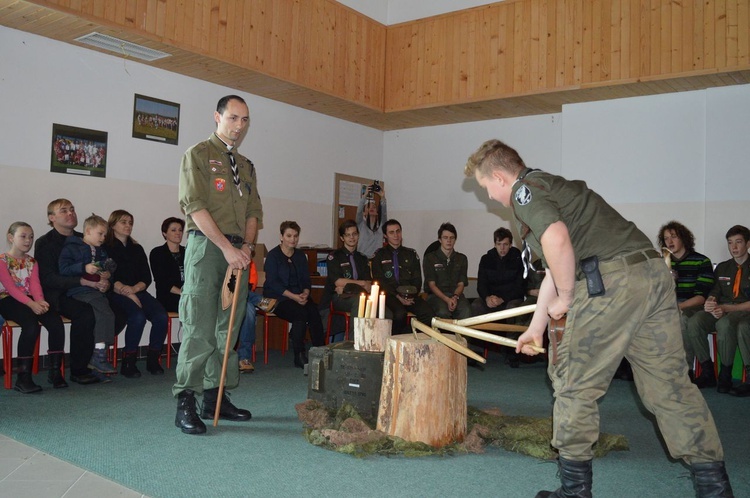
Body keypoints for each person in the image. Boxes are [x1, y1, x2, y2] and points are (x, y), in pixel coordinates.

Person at [466, 139, 731, 497]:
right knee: (669, 386)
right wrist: (536, 327)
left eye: (486, 189)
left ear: (499, 177)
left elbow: (558, 243)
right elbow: (556, 263)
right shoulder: (552, 185)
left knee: (573, 383)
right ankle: (714, 487)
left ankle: (575, 491)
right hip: (651, 276)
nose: (490, 198)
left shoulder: (524, 193)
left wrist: (569, 296)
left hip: (611, 282)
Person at [173, 95, 263, 435]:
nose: (239, 126)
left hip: (238, 254)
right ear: (217, 117)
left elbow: (254, 212)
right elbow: (194, 207)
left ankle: (215, 397)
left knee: (228, 330)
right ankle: (185, 400)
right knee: (199, 327)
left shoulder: (247, 165)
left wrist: (247, 248)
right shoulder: (197, 155)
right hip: (208, 248)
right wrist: (226, 247)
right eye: (233, 118)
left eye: (245, 120)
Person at [35, 199, 117, 385]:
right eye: (63, 210)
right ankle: (79, 370)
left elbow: (103, 265)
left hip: (90, 290)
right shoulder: (45, 243)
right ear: (52, 218)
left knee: (116, 313)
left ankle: (95, 358)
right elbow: (48, 278)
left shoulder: (87, 238)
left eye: (72, 209)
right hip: (60, 294)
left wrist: (107, 281)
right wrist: (80, 280)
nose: (70, 213)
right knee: (86, 314)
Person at [0, 222, 67, 392]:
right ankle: (23, 378)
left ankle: (54, 372)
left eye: (30, 237)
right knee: (30, 325)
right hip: (7, 299)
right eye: (23, 236)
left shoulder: (32, 262)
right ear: (10, 238)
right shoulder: (2, 260)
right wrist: (32, 304)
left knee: (55, 322)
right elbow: (11, 288)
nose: (28, 240)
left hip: (30, 299)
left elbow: (35, 284)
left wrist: (41, 302)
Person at [686, 225, 750, 396]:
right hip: (722, 309)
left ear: (748, 244)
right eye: (730, 243)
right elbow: (715, 292)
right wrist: (711, 302)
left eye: (738, 242)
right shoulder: (722, 268)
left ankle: (725, 374)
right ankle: (707, 371)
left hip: (744, 310)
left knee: (725, 323)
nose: (734, 247)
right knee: (695, 321)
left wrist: (727, 308)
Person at [106, 210, 169, 377]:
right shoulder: (106, 247)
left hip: (137, 291)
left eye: (130, 223)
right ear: (112, 225)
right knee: (137, 317)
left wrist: (134, 290)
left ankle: (153, 359)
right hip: (116, 293)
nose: (128, 226)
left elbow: (146, 277)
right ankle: (129, 361)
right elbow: (109, 277)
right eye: (123, 222)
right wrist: (127, 292)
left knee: (161, 316)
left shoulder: (137, 248)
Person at [58, 213, 118, 379]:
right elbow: (63, 269)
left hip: (96, 292)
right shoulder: (71, 247)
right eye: (100, 234)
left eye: (105, 235)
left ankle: (96, 359)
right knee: (106, 314)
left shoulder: (102, 252)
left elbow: (107, 272)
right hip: (79, 291)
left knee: (104, 315)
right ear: (88, 231)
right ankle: (99, 355)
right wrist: (83, 267)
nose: (103, 238)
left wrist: (107, 278)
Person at [657, 221, 715, 380]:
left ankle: (686, 370)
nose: (669, 241)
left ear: (683, 238)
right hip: (669, 306)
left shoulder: (701, 261)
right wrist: (668, 280)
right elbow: (656, 293)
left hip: (694, 306)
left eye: (674, 237)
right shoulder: (663, 263)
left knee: (681, 319)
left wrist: (678, 306)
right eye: (666, 238)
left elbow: (701, 297)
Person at [263, 221, 325, 368]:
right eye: (289, 235)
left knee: (313, 311)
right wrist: (294, 297)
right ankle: (299, 355)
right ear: (281, 237)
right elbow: (273, 283)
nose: (293, 239)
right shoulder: (273, 256)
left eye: (296, 236)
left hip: (298, 297)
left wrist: (305, 293)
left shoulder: (301, 256)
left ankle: (321, 352)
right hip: (277, 298)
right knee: (300, 314)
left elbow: (305, 280)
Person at [473, 227, 527, 367]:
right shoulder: (486, 259)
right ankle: (476, 349)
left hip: (510, 299)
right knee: (476, 306)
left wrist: (502, 298)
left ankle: (511, 351)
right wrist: (486, 298)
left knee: (513, 308)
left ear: (510, 244)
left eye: (505, 244)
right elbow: (481, 284)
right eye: (499, 244)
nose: (502, 248)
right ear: (494, 244)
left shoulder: (518, 258)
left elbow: (520, 286)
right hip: (491, 299)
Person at [371, 219, 434, 334]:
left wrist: (410, 295)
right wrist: (397, 296)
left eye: (398, 231)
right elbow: (379, 281)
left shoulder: (411, 254)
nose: (396, 235)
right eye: (391, 232)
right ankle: (394, 341)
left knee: (429, 315)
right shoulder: (379, 255)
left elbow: (417, 279)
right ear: (385, 235)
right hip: (390, 295)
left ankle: (407, 336)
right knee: (400, 315)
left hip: (410, 295)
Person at [324, 220, 373, 331]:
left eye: (354, 234)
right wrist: (361, 283)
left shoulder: (362, 258)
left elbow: (368, 283)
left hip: (358, 294)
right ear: (342, 238)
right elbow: (338, 282)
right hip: (339, 298)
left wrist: (347, 286)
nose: (352, 238)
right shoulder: (334, 257)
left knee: (382, 307)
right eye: (348, 235)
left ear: (358, 235)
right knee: (359, 302)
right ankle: (354, 342)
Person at [423, 222, 470, 320]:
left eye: (452, 238)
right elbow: (432, 285)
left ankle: (462, 336)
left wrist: (455, 297)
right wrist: (447, 299)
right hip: (437, 296)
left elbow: (461, 284)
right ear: (440, 239)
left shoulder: (461, 258)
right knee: (443, 312)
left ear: (455, 240)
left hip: (456, 295)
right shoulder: (430, 258)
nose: (449, 240)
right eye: (445, 237)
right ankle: (445, 336)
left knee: (466, 311)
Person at [149, 217, 185, 313]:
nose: (178, 233)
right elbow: (162, 282)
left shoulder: (187, 252)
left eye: (180, 230)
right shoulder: (157, 253)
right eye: (173, 230)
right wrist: (183, 293)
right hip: (168, 298)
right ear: (164, 233)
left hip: (188, 296)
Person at [237, 260, 262, 373]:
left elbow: (251, 283)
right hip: (222, 298)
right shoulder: (220, 253)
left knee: (249, 310)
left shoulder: (246, 258)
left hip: (243, 297)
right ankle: (260, 300)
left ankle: (244, 358)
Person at [355, 184, 386, 259]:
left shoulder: (381, 225)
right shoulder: (360, 224)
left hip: (377, 259)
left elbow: (384, 212)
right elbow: (359, 211)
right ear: (364, 212)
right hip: (362, 259)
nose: (371, 208)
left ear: (377, 212)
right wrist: (365, 195)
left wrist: (382, 197)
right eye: (368, 207)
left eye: (374, 207)